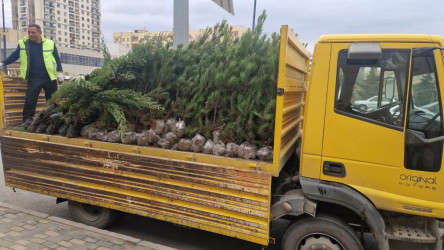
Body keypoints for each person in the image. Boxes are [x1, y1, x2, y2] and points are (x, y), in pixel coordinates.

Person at [0, 24, 64, 127]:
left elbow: (57, 58)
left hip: (49, 76)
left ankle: (53, 120)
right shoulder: (23, 43)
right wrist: (3, 63)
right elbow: (15, 55)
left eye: (33, 32)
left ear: (40, 33)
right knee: (30, 99)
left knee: (52, 100)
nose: (30, 34)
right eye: (29, 32)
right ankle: (27, 120)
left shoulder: (50, 43)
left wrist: (60, 72)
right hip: (34, 77)